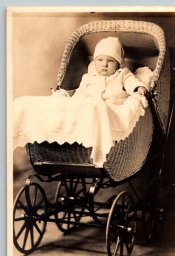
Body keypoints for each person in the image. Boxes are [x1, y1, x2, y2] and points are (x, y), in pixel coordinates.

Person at [14, 37, 153, 167]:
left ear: (117, 63)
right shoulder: (88, 77)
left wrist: (138, 87)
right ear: (94, 61)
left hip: (110, 109)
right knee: (81, 107)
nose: (104, 64)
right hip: (88, 108)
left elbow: (131, 82)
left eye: (110, 61)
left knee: (95, 108)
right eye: (100, 60)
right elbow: (80, 94)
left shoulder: (122, 74)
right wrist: (72, 104)